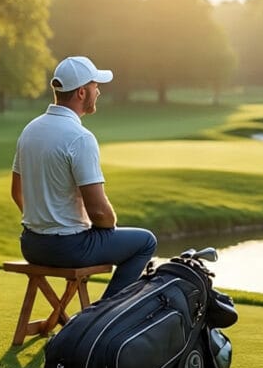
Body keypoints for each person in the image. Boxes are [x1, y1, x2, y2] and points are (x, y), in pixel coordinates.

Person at [11, 56, 157, 299]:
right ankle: (105, 315)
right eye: (94, 86)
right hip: (68, 248)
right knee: (145, 242)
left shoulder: (30, 130)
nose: (98, 91)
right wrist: (109, 229)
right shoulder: (80, 137)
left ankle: (97, 315)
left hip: (31, 245)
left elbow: (17, 191)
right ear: (81, 93)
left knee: (118, 238)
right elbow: (99, 212)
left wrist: (42, 222)